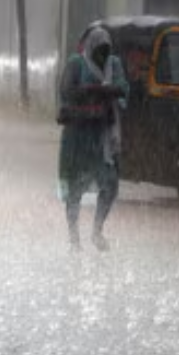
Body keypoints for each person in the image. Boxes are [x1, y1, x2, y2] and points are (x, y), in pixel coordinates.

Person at [57, 27, 129, 252]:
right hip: (77, 137)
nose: (103, 55)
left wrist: (101, 92)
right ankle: (73, 238)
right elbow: (67, 90)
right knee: (74, 188)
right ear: (89, 47)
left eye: (107, 50)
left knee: (109, 184)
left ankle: (97, 230)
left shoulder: (113, 65)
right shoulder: (76, 63)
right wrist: (98, 92)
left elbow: (123, 88)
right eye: (99, 50)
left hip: (103, 138)